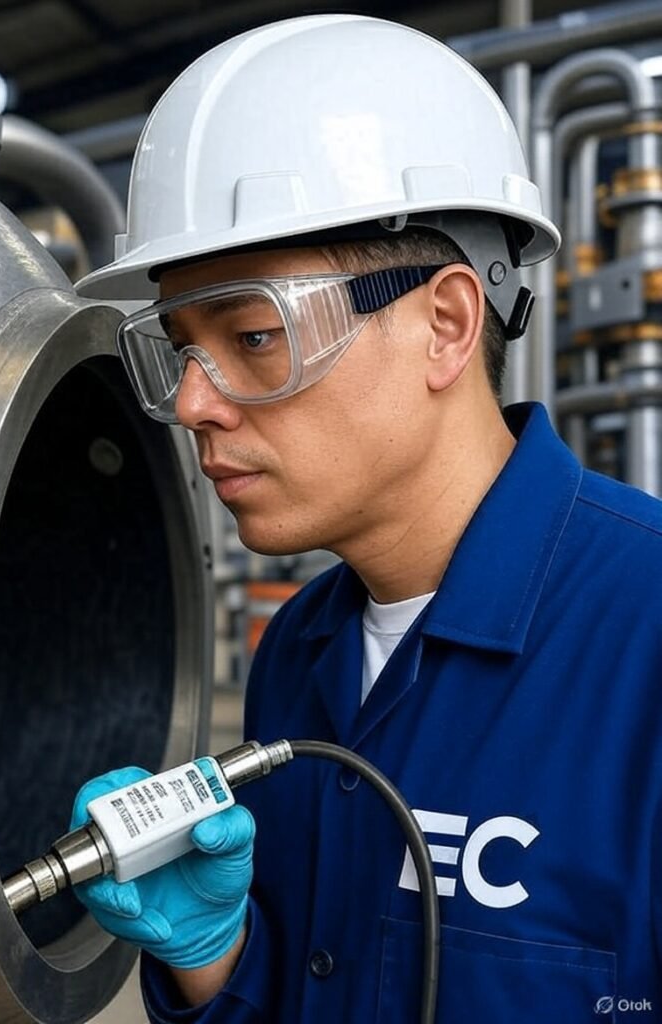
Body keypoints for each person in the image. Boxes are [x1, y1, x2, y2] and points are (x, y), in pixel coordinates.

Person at [74, 14, 662, 1023]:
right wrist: (218, 961)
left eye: (254, 335)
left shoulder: (644, 641)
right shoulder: (299, 653)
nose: (195, 402)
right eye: (180, 350)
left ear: (444, 324)